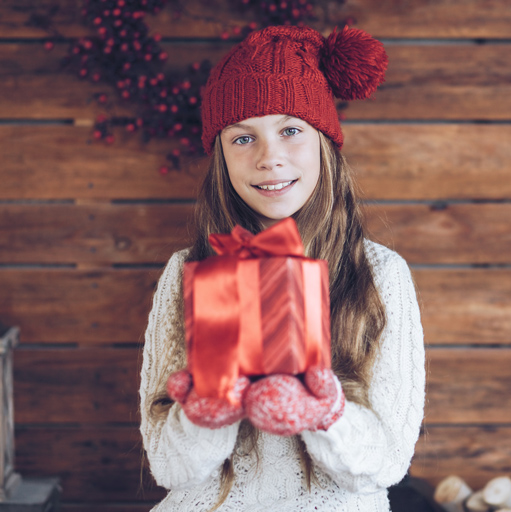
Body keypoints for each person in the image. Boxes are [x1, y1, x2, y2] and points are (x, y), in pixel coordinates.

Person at [139, 24, 426, 512]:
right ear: (221, 157)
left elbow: (389, 463)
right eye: (243, 138)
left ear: (323, 142)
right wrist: (205, 415)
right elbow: (168, 466)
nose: (269, 158)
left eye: (290, 130)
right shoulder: (188, 269)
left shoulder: (379, 273)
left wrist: (325, 413)